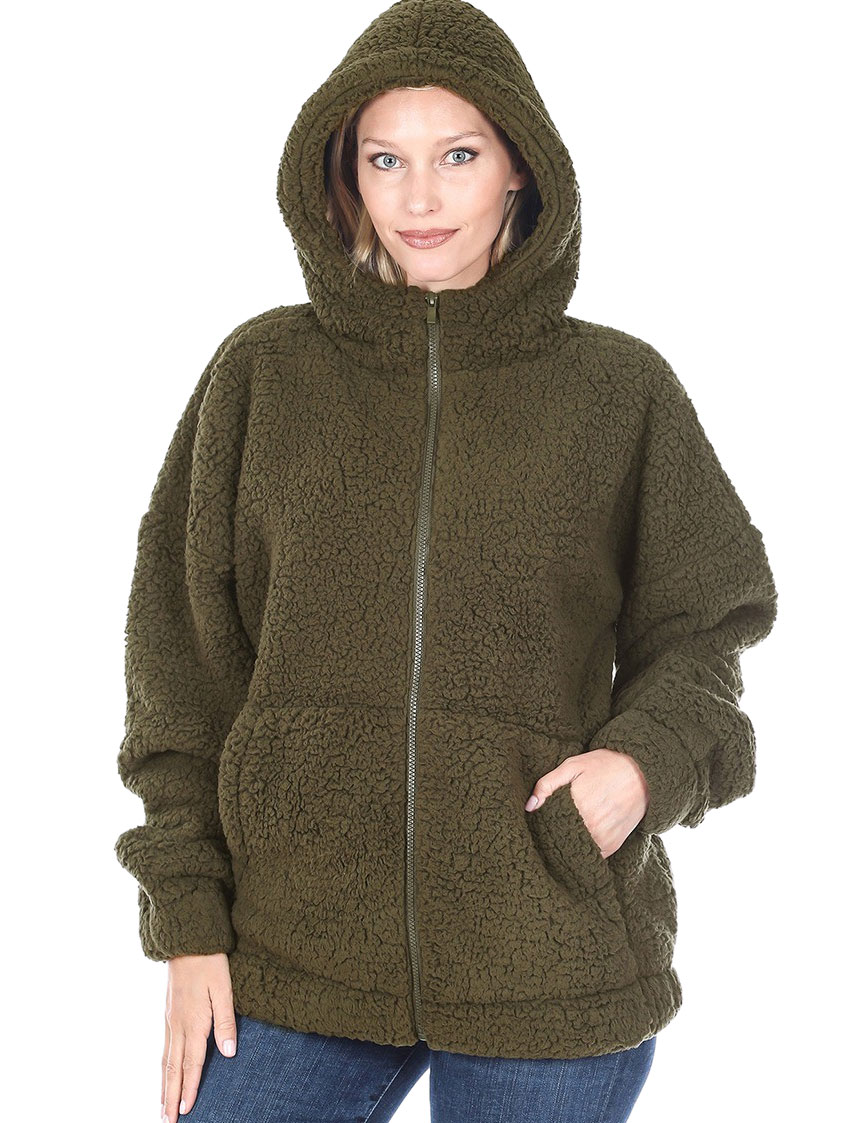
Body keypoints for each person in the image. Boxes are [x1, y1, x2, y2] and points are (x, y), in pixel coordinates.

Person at [113, 1, 779, 1120]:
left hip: (547, 949)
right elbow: (178, 665)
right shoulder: (263, 376)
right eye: (386, 159)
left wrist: (641, 765)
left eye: (458, 156)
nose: (419, 199)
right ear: (345, 176)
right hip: (296, 944)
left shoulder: (619, 392)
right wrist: (186, 921)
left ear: (520, 168)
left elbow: (710, 624)